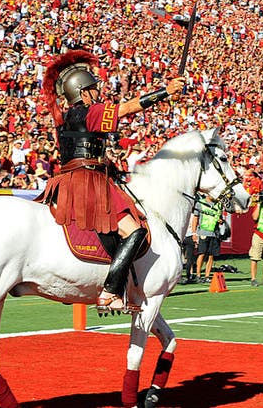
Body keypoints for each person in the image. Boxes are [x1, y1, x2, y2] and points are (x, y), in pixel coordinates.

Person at [38, 50, 183, 313]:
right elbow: (127, 109)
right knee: (135, 230)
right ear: (82, 93)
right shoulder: (89, 113)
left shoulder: (68, 116)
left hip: (71, 178)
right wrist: (166, 92)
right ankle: (110, 291)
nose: (98, 94)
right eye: (93, 89)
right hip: (88, 181)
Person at [192, 192, 226, 284]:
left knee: (211, 256)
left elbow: (221, 218)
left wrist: (221, 221)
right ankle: (198, 275)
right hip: (203, 232)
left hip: (214, 234)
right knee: (202, 254)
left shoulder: (219, 204)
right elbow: (195, 218)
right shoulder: (200, 203)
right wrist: (194, 233)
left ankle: (207, 276)